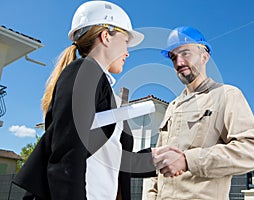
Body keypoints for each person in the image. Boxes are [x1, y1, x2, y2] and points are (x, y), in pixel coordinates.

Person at [13, 1, 155, 200]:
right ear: (106, 36)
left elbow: (107, 160)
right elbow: (67, 155)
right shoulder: (85, 72)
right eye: (125, 42)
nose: (127, 52)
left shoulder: (100, 85)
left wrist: (155, 160)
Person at [147, 26, 254, 200]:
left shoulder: (226, 95)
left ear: (205, 56)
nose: (179, 63)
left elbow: (253, 151)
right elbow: (158, 165)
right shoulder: (173, 106)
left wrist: (188, 160)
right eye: (173, 57)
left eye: (185, 53)